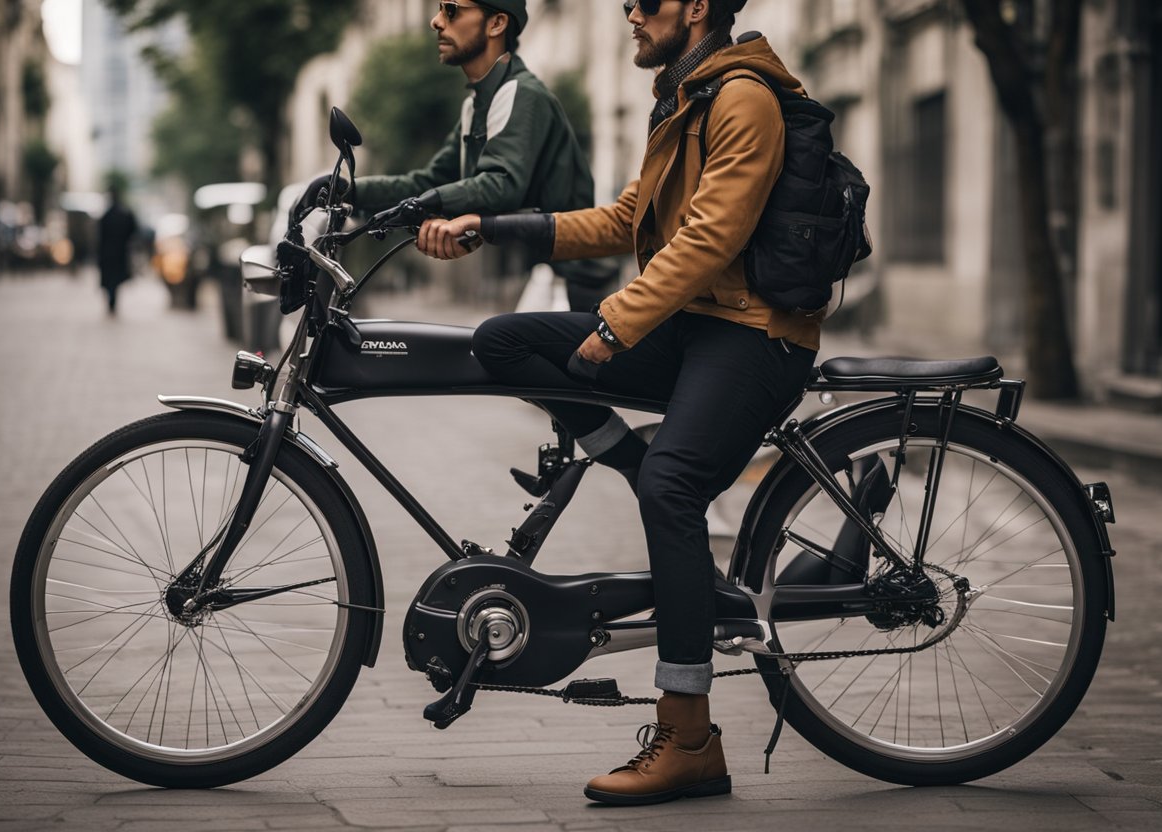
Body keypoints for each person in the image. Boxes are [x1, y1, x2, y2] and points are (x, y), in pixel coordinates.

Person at [417, 0, 822, 805]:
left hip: (756, 335)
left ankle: (688, 737)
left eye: (645, 1)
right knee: (505, 342)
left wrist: (616, 320)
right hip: (697, 326)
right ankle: (648, 482)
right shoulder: (684, 95)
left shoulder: (743, 97)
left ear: (696, 6)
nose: (630, 13)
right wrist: (495, 227)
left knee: (673, 486)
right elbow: (631, 218)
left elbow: (713, 238)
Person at [290, 0, 618, 312]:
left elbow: (501, 184)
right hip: (541, 280)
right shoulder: (477, 105)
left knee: (487, 351)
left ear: (496, 23)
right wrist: (349, 190)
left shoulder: (523, 95)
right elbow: (432, 180)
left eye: (451, 10)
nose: (436, 21)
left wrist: (426, 204)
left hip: (576, 286)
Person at [97, 186, 138, 315]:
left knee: (111, 280)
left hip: (108, 253)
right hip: (119, 253)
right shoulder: (123, 214)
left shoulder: (106, 216)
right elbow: (133, 230)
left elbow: (100, 237)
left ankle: (112, 301)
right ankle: (112, 301)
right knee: (114, 280)